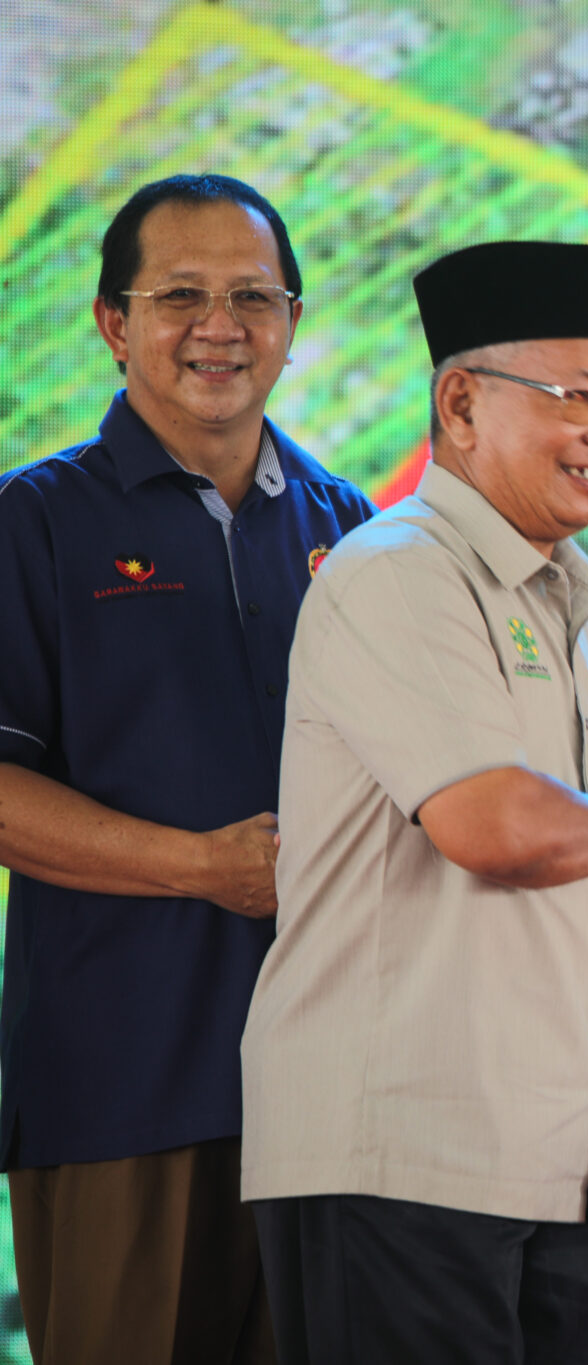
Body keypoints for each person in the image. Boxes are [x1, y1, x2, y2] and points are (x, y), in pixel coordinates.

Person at [238, 240, 588, 1365]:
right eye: (575, 397)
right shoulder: (400, 571)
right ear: (461, 404)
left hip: (558, 1171)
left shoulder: (571, 603)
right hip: (400, 1162)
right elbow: (496, 829)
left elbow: (577, 871)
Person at [0, 173, 374, 1364]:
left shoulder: (354, 528)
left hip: (335, 1099)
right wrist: (199, 867)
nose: (222, 326)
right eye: (181, 297)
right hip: (123, 1084)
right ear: (113, 322)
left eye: (254, 297)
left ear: (294, 321)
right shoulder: (33, 523)